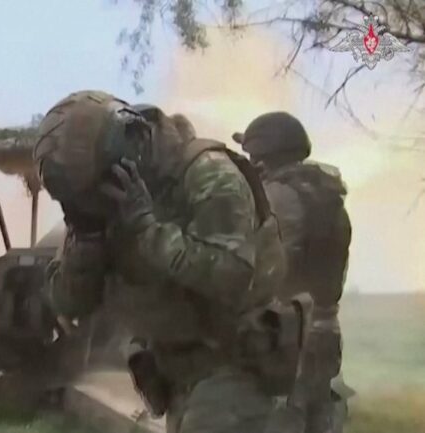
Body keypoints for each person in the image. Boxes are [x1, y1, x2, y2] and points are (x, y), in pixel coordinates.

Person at [34, 90, 290, 433]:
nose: (93, 202)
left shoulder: (209, 173)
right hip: (176, 373)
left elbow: (231, 275)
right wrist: (86, 242)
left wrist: (147, 228)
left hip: (234, 366)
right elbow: (68, 303)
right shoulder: (105, 197)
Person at [234, 112, 352, 433]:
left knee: (282, 420)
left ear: (265, 156)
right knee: (318, 420)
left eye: (253, 156)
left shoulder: (276, 198)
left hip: (287, 333)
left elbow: (254, 265)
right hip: (326, 328)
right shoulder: (327, 198)